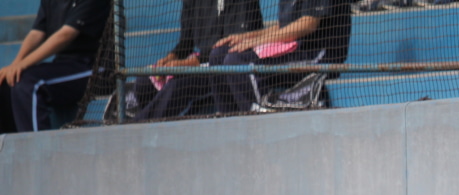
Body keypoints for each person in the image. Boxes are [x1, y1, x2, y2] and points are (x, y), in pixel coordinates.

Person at [125, 0, 262, 121]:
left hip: (227, 63)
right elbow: (186, 42)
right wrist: (170, 58)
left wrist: (188, 64)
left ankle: (137, 130)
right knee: (144, 82)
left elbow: (231, 45)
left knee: (178, 85)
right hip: (198, 61)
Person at [207, 0, 351, 114]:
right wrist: (245, 37)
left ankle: (261, 120)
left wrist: (258, 41)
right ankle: (231, 121)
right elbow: (283, 27)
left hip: (320, 52)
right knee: (219, 55)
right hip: (292, 48)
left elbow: (308, 24)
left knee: (236, 61)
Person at [0, 0, 109, 132]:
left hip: (93, 68)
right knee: (7, 83)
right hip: (63, 64)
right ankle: (10, 148)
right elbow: (36, 33)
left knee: (30, 84)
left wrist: (23, 64)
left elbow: (65, 35)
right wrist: (15, 66)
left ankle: (36, 148)